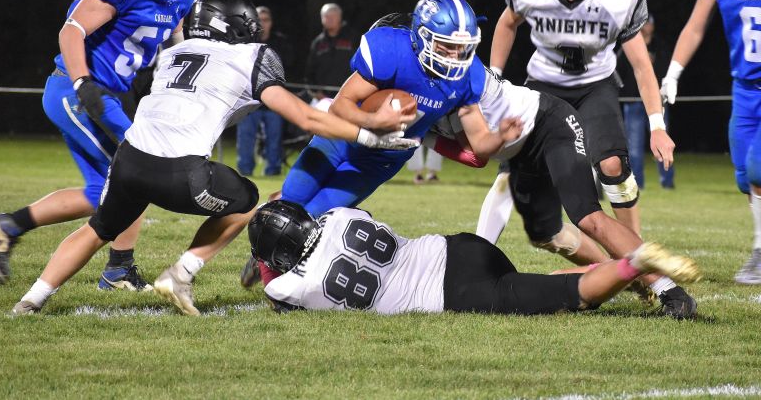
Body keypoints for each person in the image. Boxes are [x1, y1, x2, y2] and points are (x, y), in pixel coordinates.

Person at [10, 0, 420, 316]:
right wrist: (368, 136)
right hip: (180, 172)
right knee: (247, 200)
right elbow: (307, 119)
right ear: (240, 28)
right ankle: (182, 272)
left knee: (97, 229)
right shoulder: (251, 57)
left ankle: (31, 299)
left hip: (130, 157)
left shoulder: (172, 54)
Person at [0, 0, 206, 290]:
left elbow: (176, 31)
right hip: (76, 88)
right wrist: (84, 83)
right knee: (139, 169)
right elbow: (71, 31)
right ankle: (118, 269)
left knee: (104, 190)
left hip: (112, 93)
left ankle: (5, 226)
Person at [246, 0, 524, 288]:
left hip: (378, 162)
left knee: (310, 221)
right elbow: (341, 105)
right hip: (340, 139)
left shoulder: (468, 76)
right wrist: (373, 122)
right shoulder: (392, 50)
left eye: (462, 48)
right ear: (421, 36)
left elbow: (477, 149)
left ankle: (274, 286)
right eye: (446, 46)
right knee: (290, 203)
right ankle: (263, 257)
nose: (455, 57)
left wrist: (500, 138)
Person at [426, 67, 698, 318]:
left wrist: (423, 136)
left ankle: (672, 292)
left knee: (587, 215)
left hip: (549, 123)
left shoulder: (454, 79)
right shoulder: (434, 86)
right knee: (546, 234)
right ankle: (622, 275)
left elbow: (477, 156)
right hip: (520, 151)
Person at [490, 0, 675, 236]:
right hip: (543, 84)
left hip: (594, 85)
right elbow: (507, 23)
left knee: (613, 165)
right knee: (512, 169)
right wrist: (494, 75)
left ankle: (636, 253)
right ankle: (482, 248)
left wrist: (657, 125)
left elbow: (642, 65)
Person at [248, 200, 700, 316]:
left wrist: (262, 264)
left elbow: (271, 285)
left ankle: (634, 264)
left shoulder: (292, 286)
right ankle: (623, 271)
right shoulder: (341, 215)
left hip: (453, 292)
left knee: (572, 297)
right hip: (458, 248)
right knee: (534, 283)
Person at [660, 0, 761, 284]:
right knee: (744, 176)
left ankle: (759, 252)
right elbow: (696, 27)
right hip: (744, 89)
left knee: (758, 167)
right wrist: (673, 73)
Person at [617, 15, 675, 189]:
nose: (646, 27)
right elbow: (618, 71)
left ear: (653, 26)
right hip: (634, 101)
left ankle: (667, 182)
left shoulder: (660, 47)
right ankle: (638, 184)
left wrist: (652, 64)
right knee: (634, 148)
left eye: (649, 23)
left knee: (663, 144)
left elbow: (666, 70)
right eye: (643, 23)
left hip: (657, 103)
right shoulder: (629, 45)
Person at [235, 6, 294, 176]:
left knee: (274, 138)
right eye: (259, 19)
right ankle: (244, 171)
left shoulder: (280, 43)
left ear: (271, 23)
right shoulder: (244, 42)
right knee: (246, 137)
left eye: (266, 20)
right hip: (249, 98)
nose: (262, 23)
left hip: (274, 100)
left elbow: (288, 64)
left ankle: (273, 170)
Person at [303, 3, 358, 99]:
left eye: (333, 16)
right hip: (324, 97)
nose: (330, 19)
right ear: (321, 19)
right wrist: (315, 92)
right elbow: (310, 71)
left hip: (351, 95)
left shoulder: (354, 38)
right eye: (326, 16)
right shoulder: (317, 43)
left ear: (340, 17)